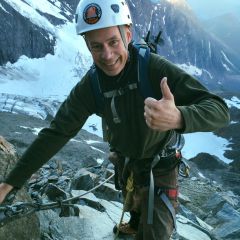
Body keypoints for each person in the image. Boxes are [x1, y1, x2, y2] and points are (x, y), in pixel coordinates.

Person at [0, 0, 230, 239]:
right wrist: (10, 183)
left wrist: (179, 117)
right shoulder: (91, 86)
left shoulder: (153, 69)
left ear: (127, 35)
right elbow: (57, 132)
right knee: (134, 202)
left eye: (113, 42)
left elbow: (219, 110)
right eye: (96, 46)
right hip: (126, 162)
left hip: (161, 167)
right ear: (87, 46)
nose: (107, 55)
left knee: (156, 234)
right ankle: (136, 217)